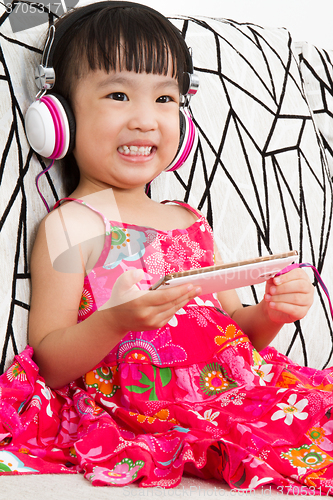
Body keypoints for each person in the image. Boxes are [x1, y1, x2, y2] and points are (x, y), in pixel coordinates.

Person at [2, 1, 332, 494]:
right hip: (155, 409)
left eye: (164, 100)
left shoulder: (188, 219)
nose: (145, 120)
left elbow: (235, 338)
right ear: (59, 118)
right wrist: (116, 320)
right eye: (118, 94)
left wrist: (272, 314)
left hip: (240, 391)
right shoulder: (75, 223)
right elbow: (48, 361)